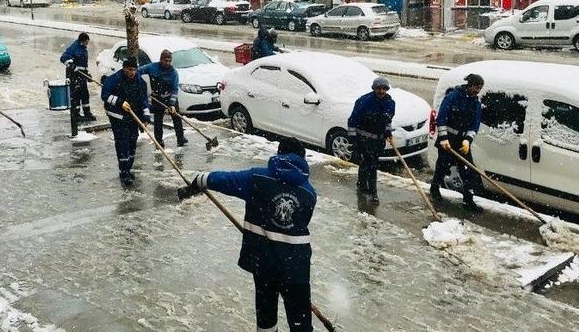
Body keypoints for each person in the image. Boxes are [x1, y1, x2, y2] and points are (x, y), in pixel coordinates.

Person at [177, 137, 316, 332]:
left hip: (264, 262)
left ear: (279, 154)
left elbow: (226, 180)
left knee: (266, 315)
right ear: (302, 159)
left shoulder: (257, 178)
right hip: (296, 267)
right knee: (300, 322)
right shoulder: (309, 192)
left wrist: (200, 180)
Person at [430, 73, 484, 212]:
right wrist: (444, 138)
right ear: (469, 85)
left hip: (462, 142)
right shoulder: (453, 97)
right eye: (476, 87)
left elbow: (475, 124)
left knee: (469, 170)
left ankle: (468, 199)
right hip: (447, 139)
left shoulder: (476, 103)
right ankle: (434, 188)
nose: (477, 91)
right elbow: (441, 118)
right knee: (443, 166)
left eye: (480, 88)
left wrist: (467, 140)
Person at [101, 56, 151, 186]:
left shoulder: (140, 82)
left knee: (132, 143)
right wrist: (120, 102)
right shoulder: (114, 79)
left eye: (134, 69)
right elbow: (105, 95)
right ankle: (123, 172)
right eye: (129, 69)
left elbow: (144, 100)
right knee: (123, 143)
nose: (132, 72)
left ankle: (128, 168)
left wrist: (145, 117)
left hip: (133, 117)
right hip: (118, 116)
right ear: (123, 68)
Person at [347, 77, 395, 204]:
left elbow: (388, 120)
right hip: (364, 138)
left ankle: (362, 183)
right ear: (374, 88)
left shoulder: (390, 102)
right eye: (378, 88)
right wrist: (353, 141)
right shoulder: (364, 101)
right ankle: (373, 192)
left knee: (367, 163)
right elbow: (352, 121)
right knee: (371, 164)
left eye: (384, 88)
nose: (381, 91)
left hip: (379, 140)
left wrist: (387, 131)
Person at [137, 49, 187, 148]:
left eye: (169, 61)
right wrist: (140, 84)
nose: (167, 63)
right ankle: (159, 142)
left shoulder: (173, 73)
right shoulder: (152, 67)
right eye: (165, 60)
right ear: (161, 59)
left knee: (177, 119)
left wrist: (172, 104)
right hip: (157, 99)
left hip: (169, 97)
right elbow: (138, 71)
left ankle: (180, 139)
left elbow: (175, 90)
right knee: (158, 121)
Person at [60, 32, 96, 122]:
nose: (87, 43)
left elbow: (84, 65)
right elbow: (63, 58)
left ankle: (87, 113)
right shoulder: (74, 48)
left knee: (85, 95)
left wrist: (87, 74)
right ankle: (76, 114)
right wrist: (71, 65)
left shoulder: (83, 49)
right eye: (86, 42)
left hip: (82, 77)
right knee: (76, 96)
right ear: (82, 41)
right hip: (74, 77)